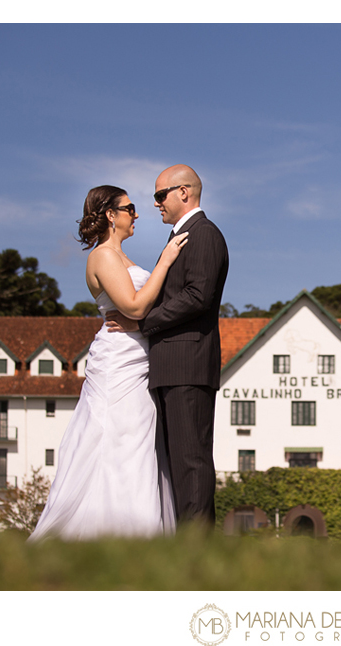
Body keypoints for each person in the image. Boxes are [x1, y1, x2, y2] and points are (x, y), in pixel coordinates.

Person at [28, 185, 188, 541]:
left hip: (139, 360)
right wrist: (165, 262)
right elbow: (133, 307)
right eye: (129, 208)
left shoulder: (122, 259)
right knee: (121, 441)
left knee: (140, 445)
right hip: (119, 364)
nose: (136, 214)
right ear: (110, 215)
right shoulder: (101, 257)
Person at [105, 165, 229, 527]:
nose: (155, 203)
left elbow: (197, 297)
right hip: (171, 365)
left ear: (184, 193)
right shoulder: (182, 236)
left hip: (188, 363)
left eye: (161, 195)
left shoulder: (204, 234)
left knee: (191, 460)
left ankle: (197, 546)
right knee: (177, 462)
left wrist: (142, 323)